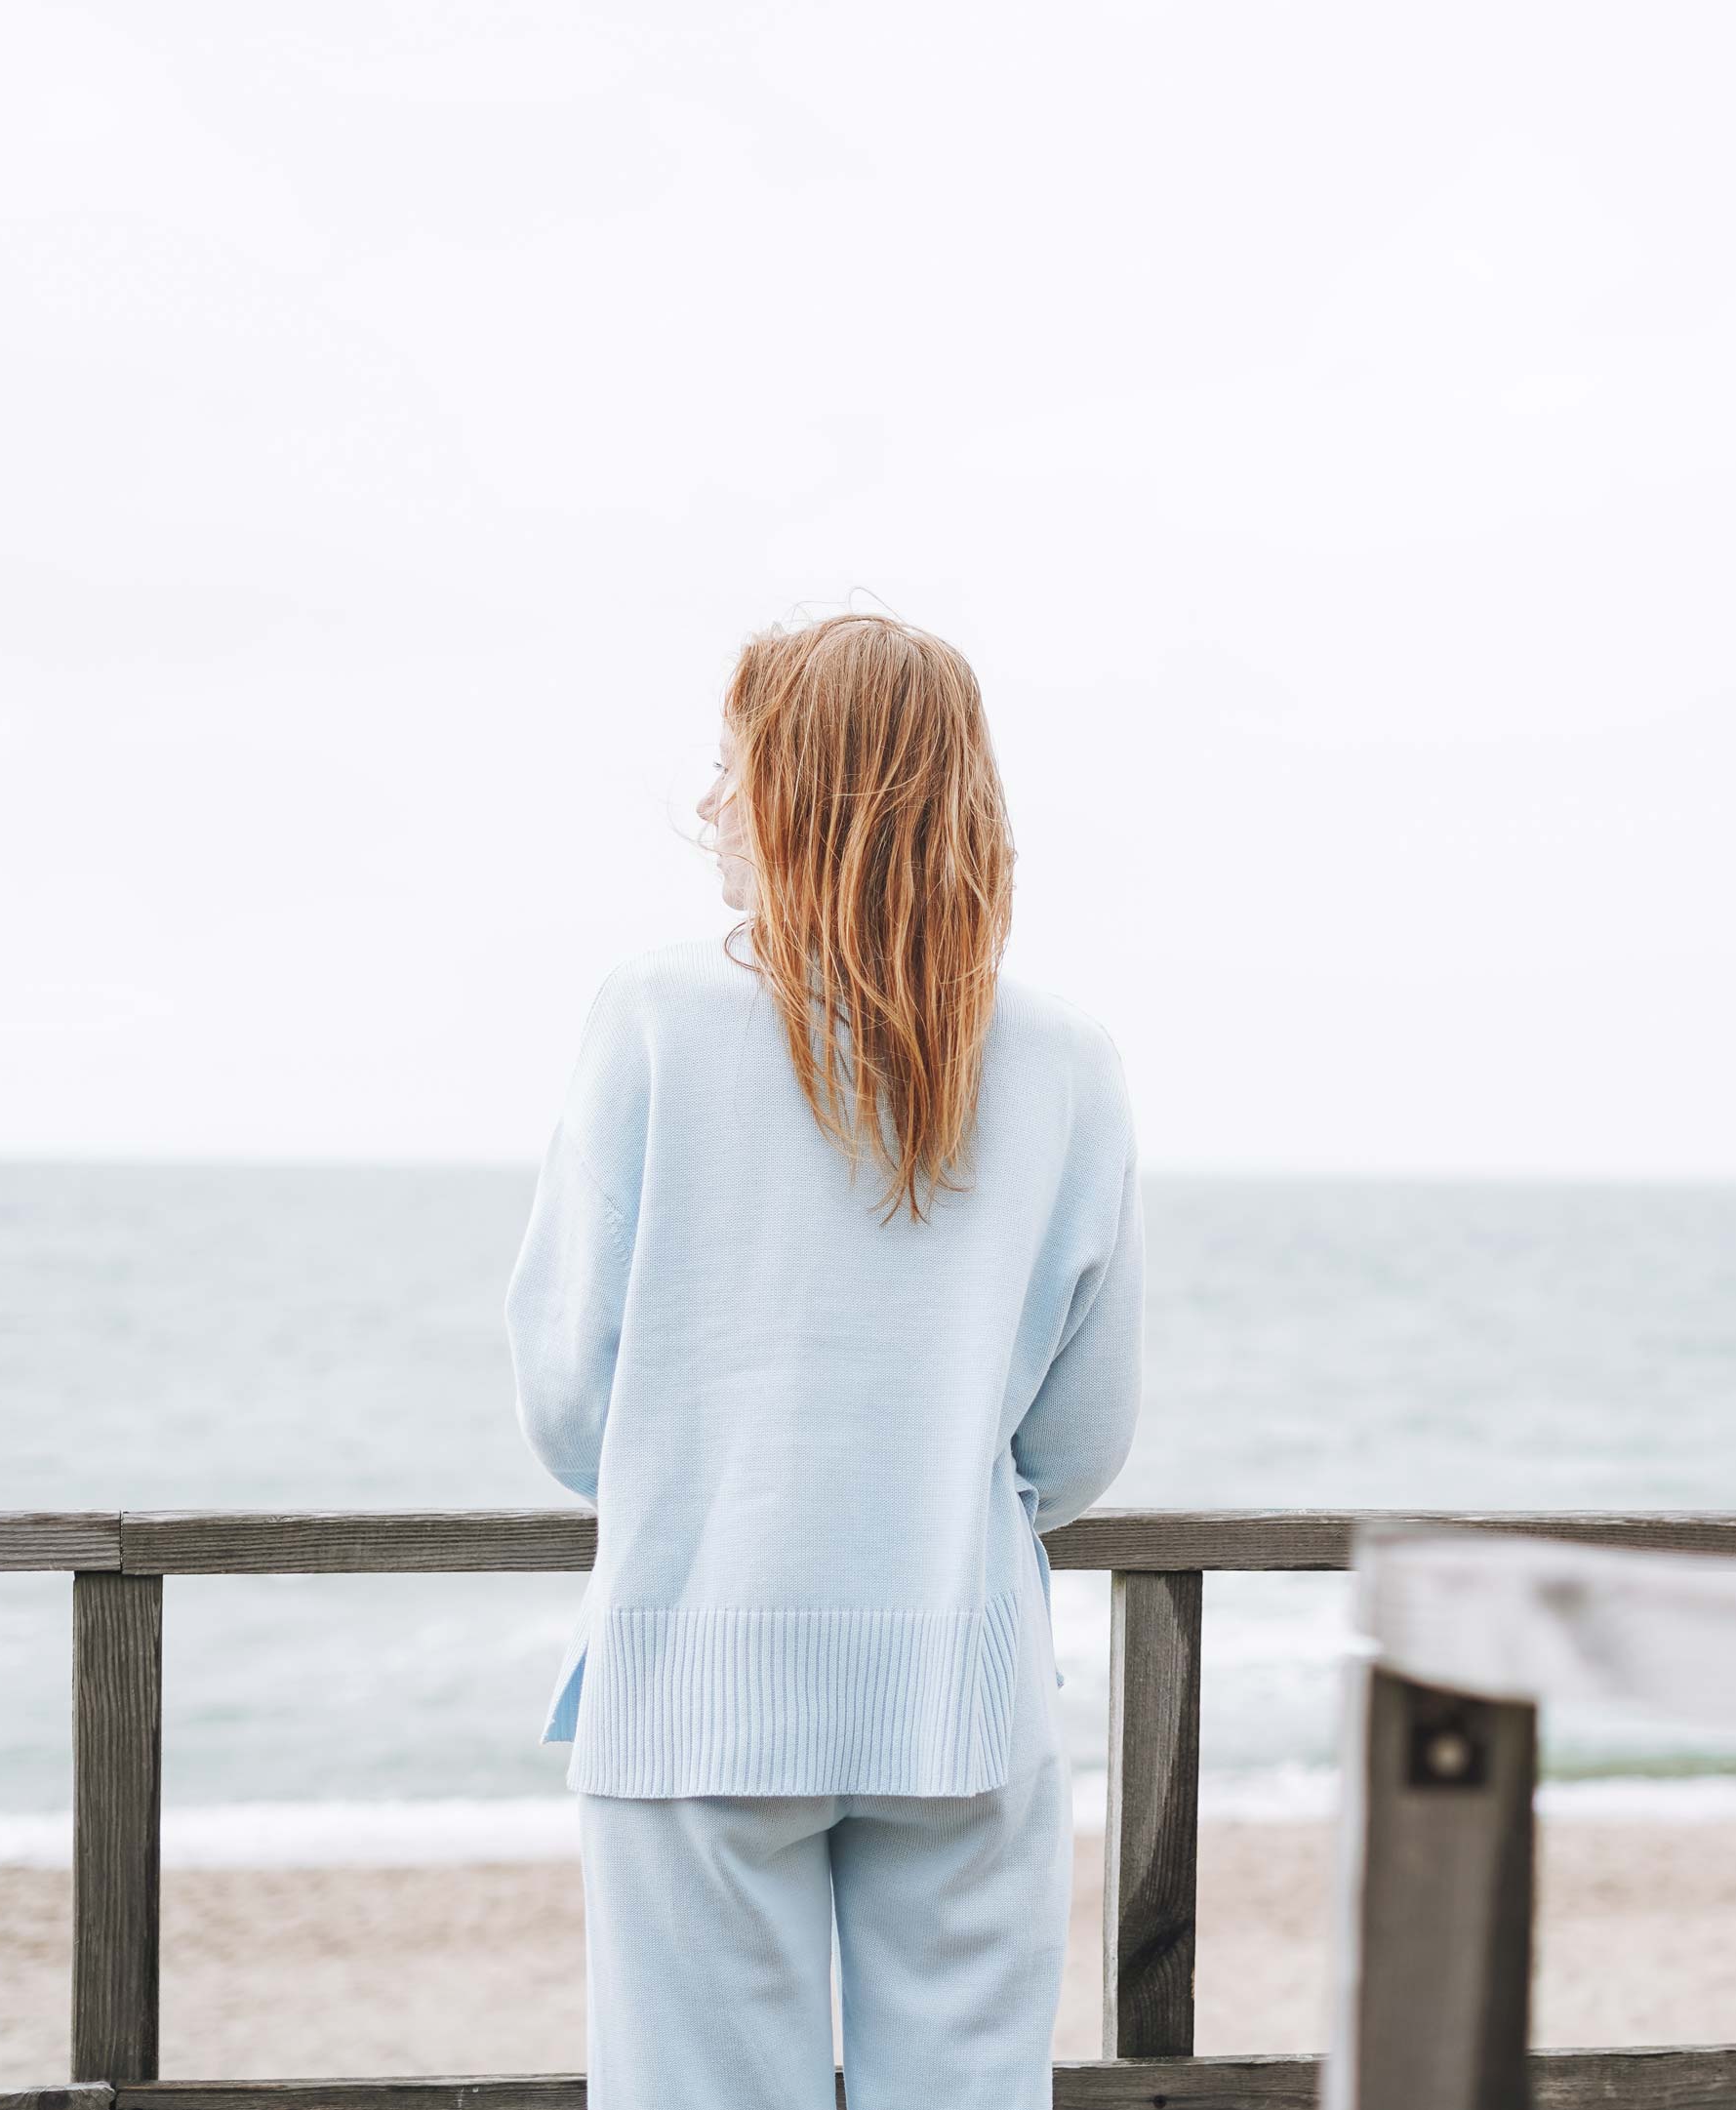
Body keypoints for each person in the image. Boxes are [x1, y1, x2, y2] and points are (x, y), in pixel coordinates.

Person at [504, 609, 1144, 2110]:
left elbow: (569, 1394)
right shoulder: (1064, 1057)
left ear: (800, 795)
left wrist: (700, 1480)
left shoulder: (655, 1017)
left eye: (737, 768)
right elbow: (1085, 1434)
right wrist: (925, 1492)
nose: (713, 805)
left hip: (704, 1661)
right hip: (961, 1667)